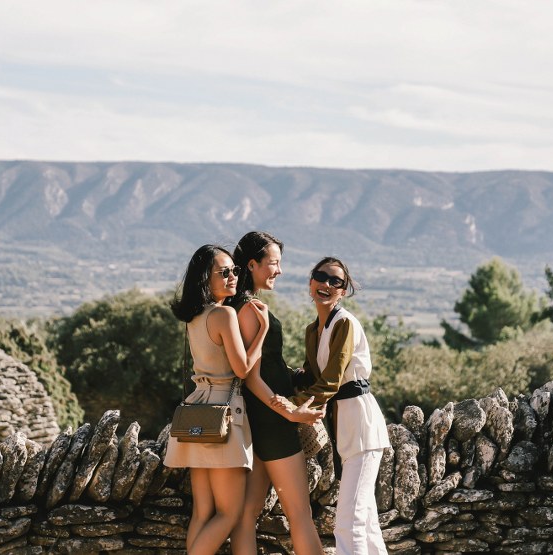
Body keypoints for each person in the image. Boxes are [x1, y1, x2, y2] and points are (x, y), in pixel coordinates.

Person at [274, 256, 391, 555]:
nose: (326, 284)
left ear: (343, 290)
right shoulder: (313, 330)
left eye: (335, 281)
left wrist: (289, 409)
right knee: (364, 521)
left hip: (362, 427)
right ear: (310, 281)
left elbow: (330, 382)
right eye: (320, 276)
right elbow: (308, 376)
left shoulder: (345, 323)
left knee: (347, 522)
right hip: (345, 429)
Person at [164, 244, 270, 555]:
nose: (232, 276)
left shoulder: (194, 318)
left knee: (202, 512)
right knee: (229, 514)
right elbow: (241, 369)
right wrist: (261, 331)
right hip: (225, 413)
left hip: (198, 411)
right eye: (223, 272)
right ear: (204, 279)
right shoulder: (224, 314)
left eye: (234, 270)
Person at [227, 232, 326, 555]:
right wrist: (289, 412)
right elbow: (251, 377)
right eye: (274, 263)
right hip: (273, 422)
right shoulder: (249, 309)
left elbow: (265, 366)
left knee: (246, 515)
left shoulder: (236, 305)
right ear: (252, 264)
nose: (279, 270)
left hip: (258, 421)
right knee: (300, 514)